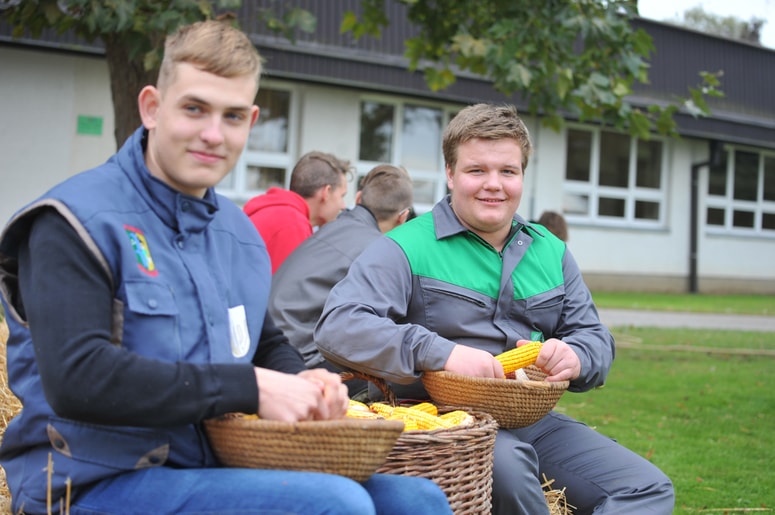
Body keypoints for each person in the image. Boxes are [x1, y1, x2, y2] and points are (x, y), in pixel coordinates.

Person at [0, 20, 452, 515]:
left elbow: (264, 342)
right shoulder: (74, 221)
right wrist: (252, 388)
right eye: (194, 108)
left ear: (252, 121)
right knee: (337, 504)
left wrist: (303, 379)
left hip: (212, 465)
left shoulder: (237, 234)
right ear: (151, 107)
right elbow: (77, 379)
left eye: (233, 116)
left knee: (419, 500)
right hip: (89, 482)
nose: (213, 134)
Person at [315, 103, 675, 515]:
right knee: (509, 472)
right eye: (476, 171)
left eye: (508, 171)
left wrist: (576, 355)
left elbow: (595, 338)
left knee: (645, 489)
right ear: (450, 174)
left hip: (532, 421)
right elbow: (338, 325)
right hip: (448, 420)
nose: (494, 185)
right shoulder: (405, 246)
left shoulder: (551, 251)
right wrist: (442, 352)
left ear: (522, 175)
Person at [269, 164, 413, 394]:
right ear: (403, 217)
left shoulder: (331, 226)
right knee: (389, 382)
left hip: (270, 344)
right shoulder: (377, 249)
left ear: (358, 198)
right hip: (299, 357)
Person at [244, 150, 351, 273]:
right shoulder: (292, 224)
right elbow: (286, 290)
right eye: (342, 196)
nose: (343, 206)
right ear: (326, 192)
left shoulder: (281, 213)